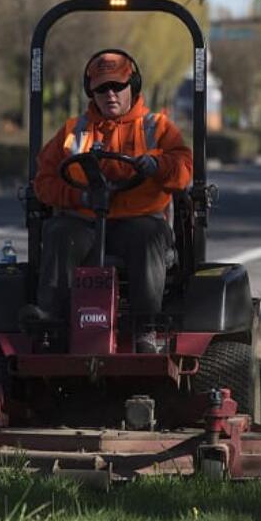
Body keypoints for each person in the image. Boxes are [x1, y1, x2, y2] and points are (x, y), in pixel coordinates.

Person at [32, 49, 192, 351]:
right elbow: (43, 182)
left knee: (149, 237)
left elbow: (183, 171)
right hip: (85, 222)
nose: (110, 94)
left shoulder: (158, 127)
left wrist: (157, 166)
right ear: (91, 92)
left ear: (133, 85)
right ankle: (51, 326)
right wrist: (78, 195)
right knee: (59, 233)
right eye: (102, 88)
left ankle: (147, 329)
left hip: (139, 222)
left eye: (117, 86)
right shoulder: (72, 131)